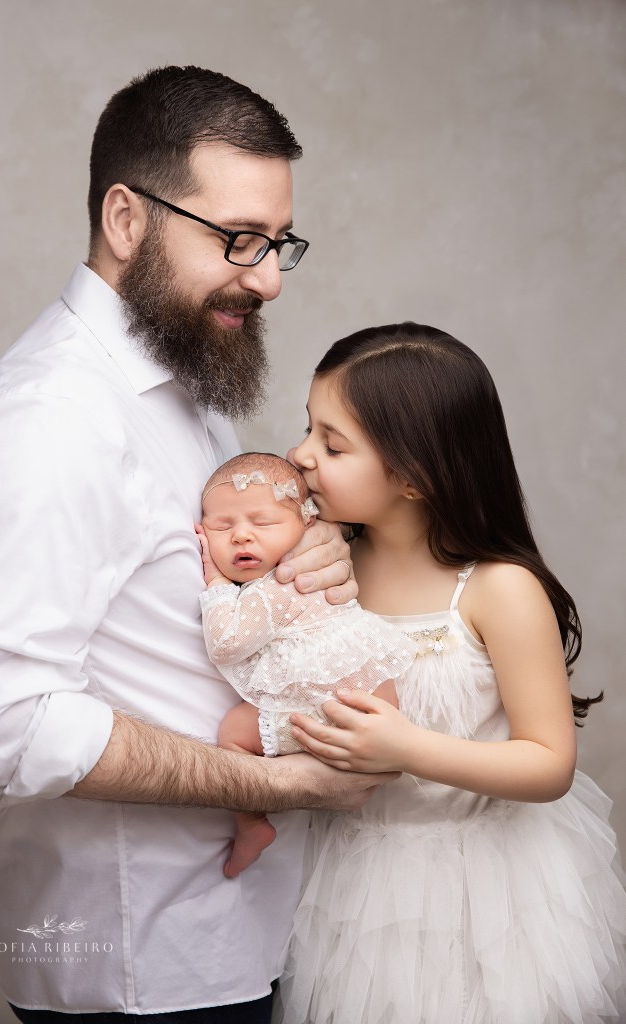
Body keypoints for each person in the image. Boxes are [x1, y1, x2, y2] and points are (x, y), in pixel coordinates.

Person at [0, 66, 390, 1023]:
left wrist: (311, 558)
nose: (266, 277)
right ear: (125, 218)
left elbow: (184, 596)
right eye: (237, 240)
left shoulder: (182, 379)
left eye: (277, 244)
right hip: (141, 960)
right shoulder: (50, 420)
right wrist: (272, 777)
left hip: (234, 935)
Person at [273, 323, 626, 1024]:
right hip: (344, 877)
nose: (299, 455)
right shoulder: (324, 566)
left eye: (332, 444)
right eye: (306, 429)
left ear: (414, 474)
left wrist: (406, 750)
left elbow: (548, 763)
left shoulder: (498, 590)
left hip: (480, 892)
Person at [196, 452, 416, 878]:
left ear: (307, 526)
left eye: (263, 524)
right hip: (369, 696)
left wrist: (218, 585)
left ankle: (250, 824)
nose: (241, 536)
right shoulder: (306, 570)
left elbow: (226, 643)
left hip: (337, 709)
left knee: (232, 734)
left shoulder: (277, 586)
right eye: (222, 527)